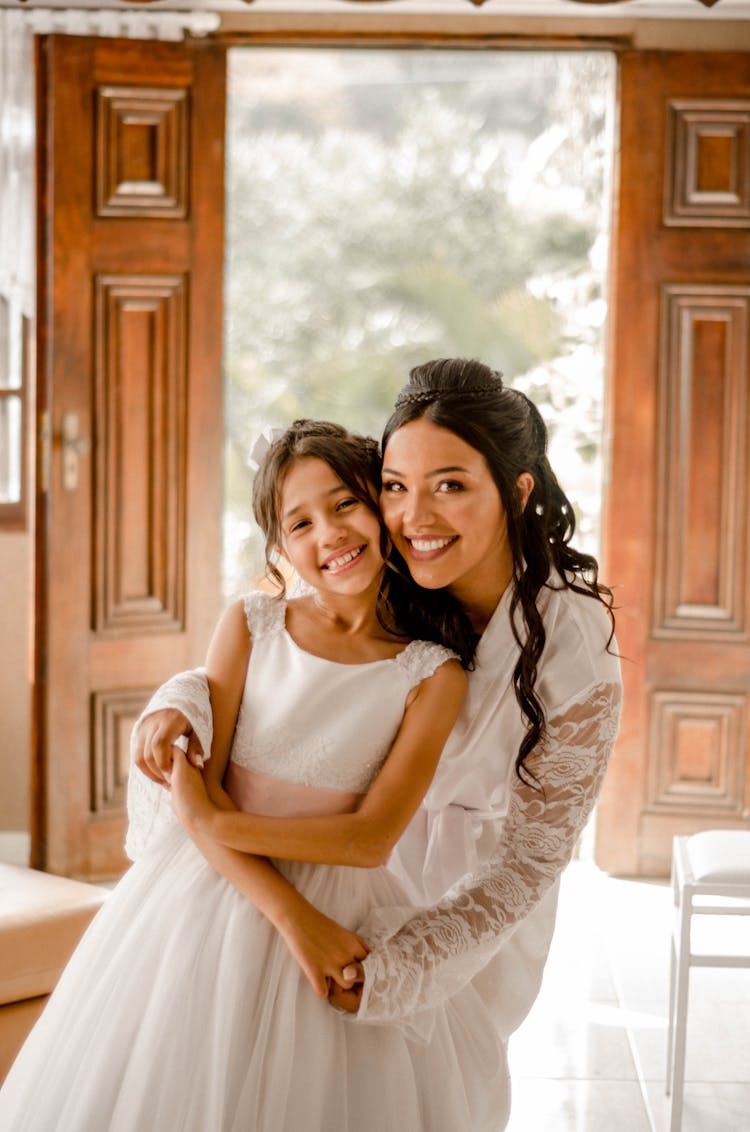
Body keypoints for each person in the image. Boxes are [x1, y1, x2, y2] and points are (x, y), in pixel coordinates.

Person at [135, 358, 622, 1129]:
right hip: (334, 867)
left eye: (452, 485)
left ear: (517, 490)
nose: (416, 515)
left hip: (469, 902)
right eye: (396, 486)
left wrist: (403, 966)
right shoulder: (386, 568)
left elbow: (532, 858)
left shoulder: (573, 639)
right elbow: (275, 662)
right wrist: (176, 703)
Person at [0, 419, 506, 1132]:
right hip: (206, 895)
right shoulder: (251, 624)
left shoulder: (433, 672)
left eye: (343, 504)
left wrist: (214, 820)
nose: (328, 533)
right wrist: (296, 921)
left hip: (341, 898)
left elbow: (368, 840)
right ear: (280, 547)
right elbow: (191, 780)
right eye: (299, 522)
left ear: (381, 505)